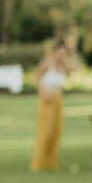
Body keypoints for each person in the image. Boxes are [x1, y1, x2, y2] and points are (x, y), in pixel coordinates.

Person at [31, 36, 72, 172]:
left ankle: (51, 162)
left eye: (64, 52)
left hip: (58, 98)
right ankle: (39, 163)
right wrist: (43, 92)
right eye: (60, 51)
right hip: (47, 99)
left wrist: (74, 51)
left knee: (56, 131)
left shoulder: (63, 65)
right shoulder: (47, 63)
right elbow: (36, 78)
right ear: (55, 51)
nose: (62, 54)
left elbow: (75, 69)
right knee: (45, 131)